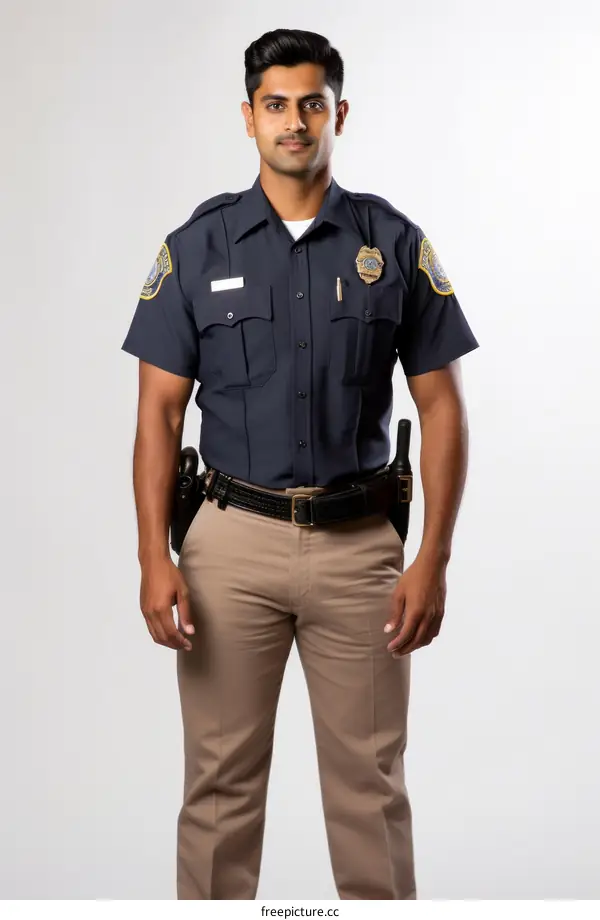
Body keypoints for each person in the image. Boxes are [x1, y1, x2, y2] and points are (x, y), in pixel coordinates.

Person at [121, 28, 479, 900]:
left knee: (371, 793)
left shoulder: (390, 245)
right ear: (248, 118)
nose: (294, 122)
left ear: (339, 114)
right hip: (228, 550)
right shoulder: (196, 250)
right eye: (276, 105)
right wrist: (152, 557)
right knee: (217, 793)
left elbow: (442, 406)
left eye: (311, 104)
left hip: (360, 550)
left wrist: (431, 556)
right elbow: (158, 414)